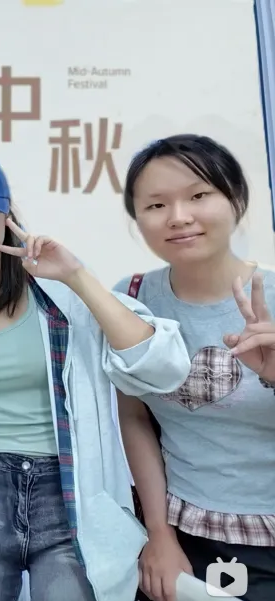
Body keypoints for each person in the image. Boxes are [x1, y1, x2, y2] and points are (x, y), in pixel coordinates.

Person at [0, 158, 191, 601]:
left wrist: (75, 275)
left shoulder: (61, 298)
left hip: (67, 487)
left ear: (6, 214)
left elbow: (159, 366)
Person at [113, 135, 275, 601]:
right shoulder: (134, 298)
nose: (179, 216)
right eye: (156, 204)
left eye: (199, 195)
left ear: (235, 198)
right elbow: (134, 417)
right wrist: (158, 534)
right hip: (185, 532)